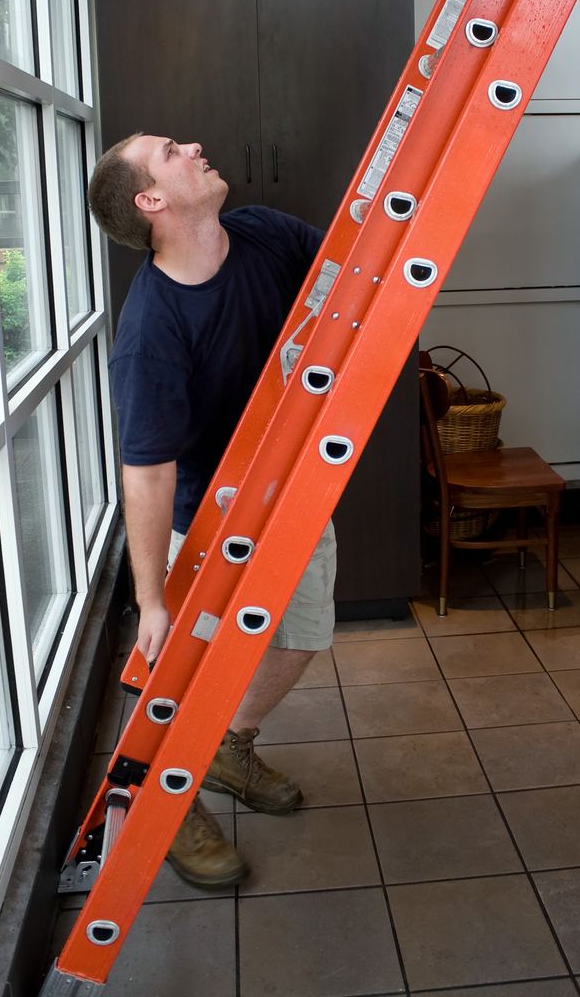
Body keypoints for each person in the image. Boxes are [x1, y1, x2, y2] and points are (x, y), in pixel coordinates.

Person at [87, 133, 337, 889]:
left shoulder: (264, 232)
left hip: (291, 490)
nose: (192, 145)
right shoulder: (151, 330)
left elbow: (353, 277)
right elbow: (147, 472)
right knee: (179, 674)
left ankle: (227, 747)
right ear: (152, 201)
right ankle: (168, 800)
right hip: (202, 518)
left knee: (302, 633)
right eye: (170, 151)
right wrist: (152, 598)